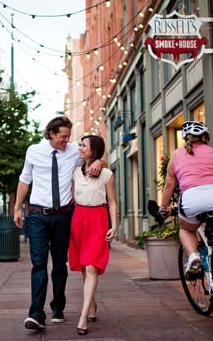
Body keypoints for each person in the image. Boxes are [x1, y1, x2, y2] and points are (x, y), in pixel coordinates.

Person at [13, 116, 102, 331]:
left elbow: (92, 160)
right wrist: (16, 208)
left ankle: (58, 307)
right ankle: (36, 314)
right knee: (39, 264)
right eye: (63, 136)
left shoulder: (72, 151)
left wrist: (100, 161)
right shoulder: (33, 151)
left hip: (63, 216)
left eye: (69, 136)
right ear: (51, 133)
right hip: (37, 215)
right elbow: (25, 180)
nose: (67, 140)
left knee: (60, 264)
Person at [159, 121, 213, 277]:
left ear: (186, 138)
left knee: (186, 229)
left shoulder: (177, 154)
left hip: (192, 197)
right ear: (205, 137)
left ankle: (193, 255)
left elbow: (169, 184)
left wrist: (163, 207)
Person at [68, 135, 117, 336]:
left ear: (94, 149)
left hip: (98, 218)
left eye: (83, 145)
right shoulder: (75, 172)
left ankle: (83, 316)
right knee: (83, 266)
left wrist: (114, 226)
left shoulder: (107, 174)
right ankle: (92, 305)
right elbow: (71, 197)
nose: (79, 148)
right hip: (78, 218)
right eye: (79, 144)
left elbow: (112, 201)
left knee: (91, 266)